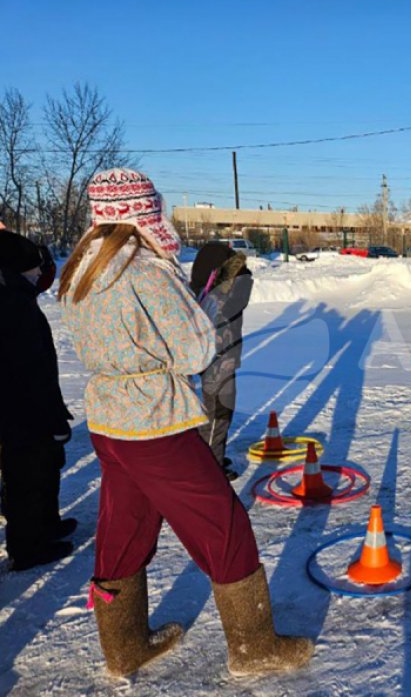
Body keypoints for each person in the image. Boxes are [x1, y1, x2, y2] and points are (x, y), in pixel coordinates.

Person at [59, 168, 312, 677]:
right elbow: (197, 350)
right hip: (155, 422)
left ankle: (124, 647)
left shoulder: (82, 266)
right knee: (223, 524)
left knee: (124, 527)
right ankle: (253, 647)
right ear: (142, 212)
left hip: (108, 421)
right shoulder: (147, 270)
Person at [0, 231, 76, 571]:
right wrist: (52, 416)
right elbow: (31, 368)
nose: (38, 274)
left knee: (47, 467)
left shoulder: (19, 295)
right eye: (32, 268)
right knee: (27, 477)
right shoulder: (12, 302)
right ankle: (27, 545)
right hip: (24, 409)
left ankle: (46, 525)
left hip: (28, 406)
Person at [190, 242, 253, 481]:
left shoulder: (201, 291)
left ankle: (211, 456)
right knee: (219, 414)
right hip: (219, 360)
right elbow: (241, 294)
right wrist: (242, 271)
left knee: (214, 411)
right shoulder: (222, 297)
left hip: (211, 358)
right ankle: (211, 468)